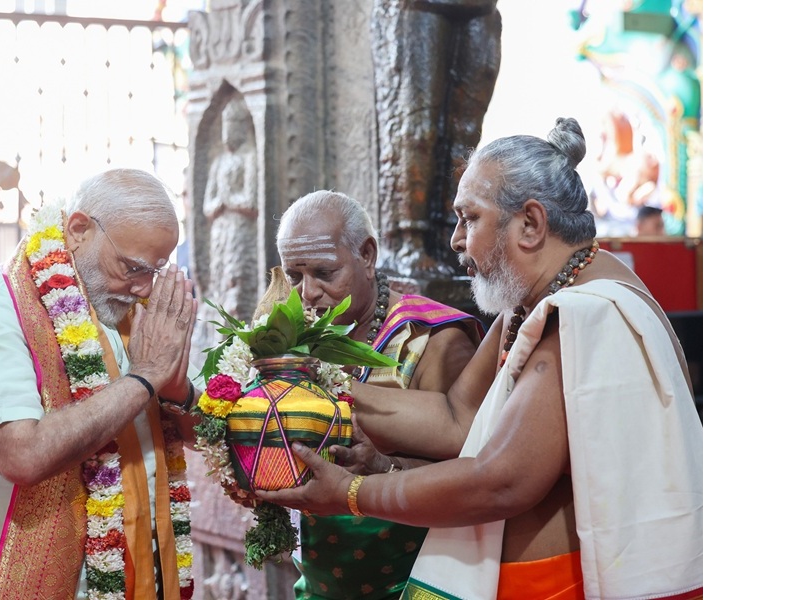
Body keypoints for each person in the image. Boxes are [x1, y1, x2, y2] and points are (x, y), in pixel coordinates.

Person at [257, 119, 703, 600]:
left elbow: (500, 481)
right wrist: (311, 385)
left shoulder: (583, 312)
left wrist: (349, 493)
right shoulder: (534, 302)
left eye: (469, 218)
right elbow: (457, 418)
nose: (455, 240)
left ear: (530, 224)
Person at [0, 168, 204, 600]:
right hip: (2, 580)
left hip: (135, 576)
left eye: (157, 270)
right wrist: (145, 378)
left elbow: (201, 431)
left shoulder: (138, 307)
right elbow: (22, 455)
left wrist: (179, 392)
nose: (143, 287)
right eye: (133, 267)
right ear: (78, 229)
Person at [270, 190, 484, 600]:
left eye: (324, 273)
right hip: (321, 579)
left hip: (413, 580)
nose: (306, 294)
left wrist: (385, 465)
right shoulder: (294, 340)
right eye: (294, 276)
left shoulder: (432, 338)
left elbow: (472, 472)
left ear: (367, 256)